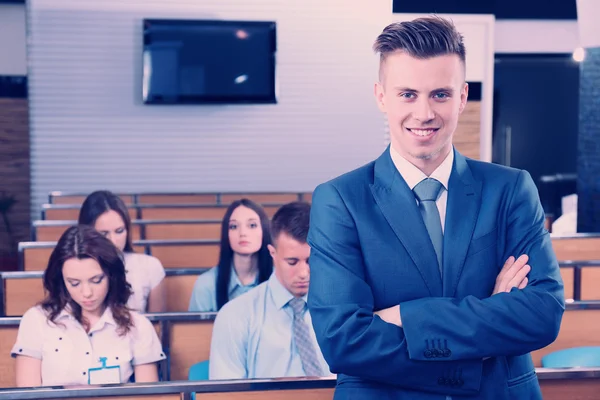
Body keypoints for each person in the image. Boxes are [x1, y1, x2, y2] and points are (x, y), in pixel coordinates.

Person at [307, 16, 564, 399]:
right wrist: (490, 316)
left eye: (440, 94)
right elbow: (343, 340)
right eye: (407, 94)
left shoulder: (510, 189)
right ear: (381, 96)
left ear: (462, 97)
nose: (425, 113)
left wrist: (405, 317)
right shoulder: (339, 200)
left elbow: (541, 315)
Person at [12, 225, 166, 387]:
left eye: (96, 280)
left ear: (111, 276)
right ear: (61, 281)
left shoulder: (138, 326)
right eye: (74, 283)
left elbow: (148, 396)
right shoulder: (37, 320)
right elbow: (28, 394)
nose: (86, 293)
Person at [209, 202, 330, 379]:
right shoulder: (234, 315)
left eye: (311, 261)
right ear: (272, 253)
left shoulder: (344, 310)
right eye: (292, 262)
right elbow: (224, 395)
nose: (304, 273)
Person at [78, 190, 166, 313]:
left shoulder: (150, 266)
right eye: (103, 234)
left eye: (119, 231)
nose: (113, 241)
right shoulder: (72, 269)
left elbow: (158, 327)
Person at [188, 199, 273, 312]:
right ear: (226, 234)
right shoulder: (206, 284)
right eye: (234, 226)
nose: (243, 233)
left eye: (252, 225)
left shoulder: (279, 280)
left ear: (264, 231)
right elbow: (196, 329)